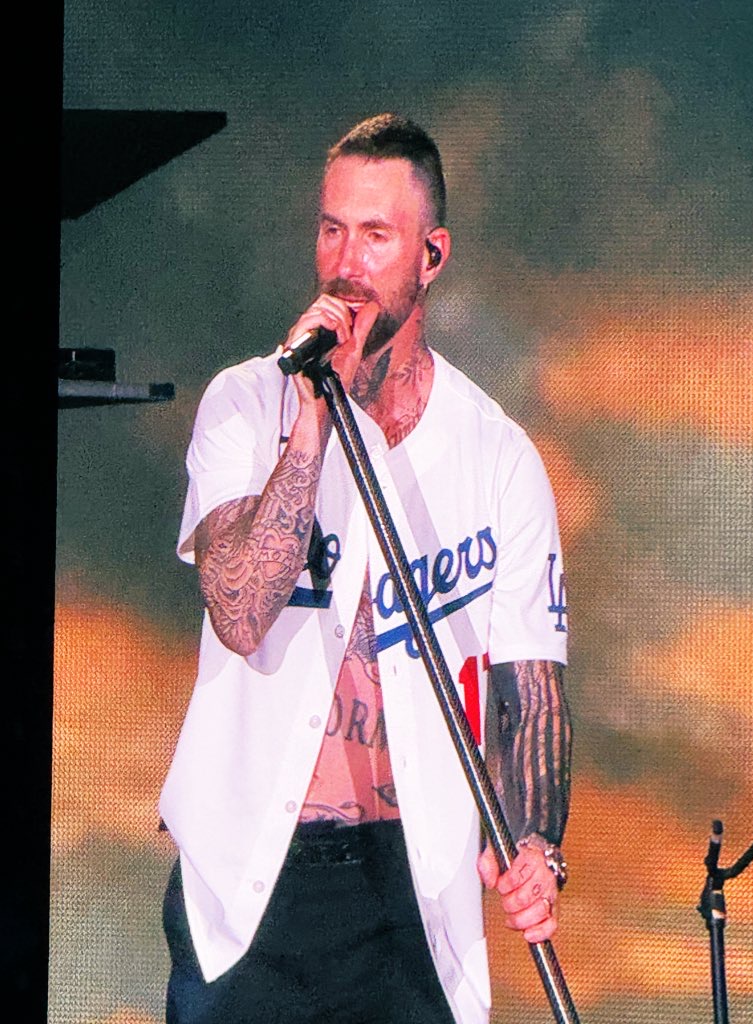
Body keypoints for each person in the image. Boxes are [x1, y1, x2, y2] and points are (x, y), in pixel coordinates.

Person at [159, 113, 572, 1024]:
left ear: (431, 255)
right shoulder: (246, 406)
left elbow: (531, 691)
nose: (345, 263)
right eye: (331, 229)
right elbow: (239, 609)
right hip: (252, 886)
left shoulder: (497, 457)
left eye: (375, 235)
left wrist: (536, 841)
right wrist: (314, 414)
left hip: (410, 890)